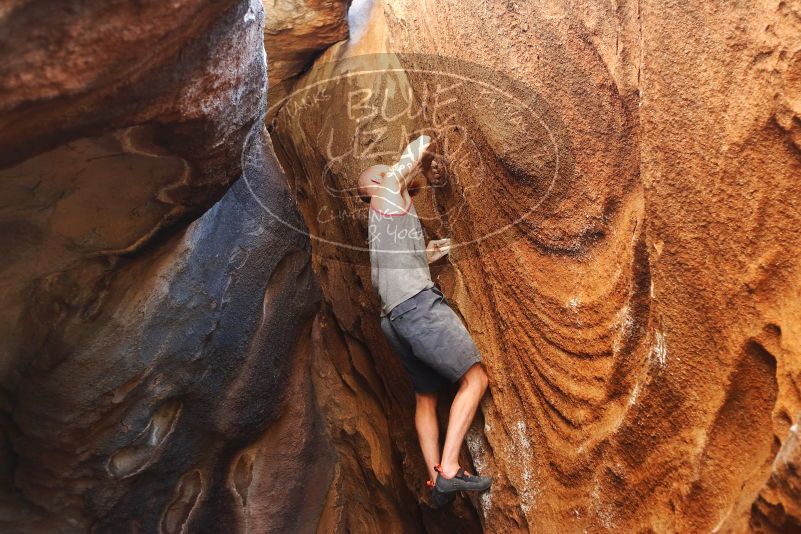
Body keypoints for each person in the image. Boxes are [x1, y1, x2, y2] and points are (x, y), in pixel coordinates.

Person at [357, 135, 491, 508]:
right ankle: (449, 468)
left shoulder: (386, 224)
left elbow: (412, 261)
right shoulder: (384, 195)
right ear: (377, 185)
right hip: (416, 307)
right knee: (475, 378)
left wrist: (437, 251)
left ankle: (435, 482)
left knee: (426, 397)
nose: (394, 177)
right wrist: (429, 150)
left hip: (393, 317)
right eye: (386, 174)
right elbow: (417, 146)